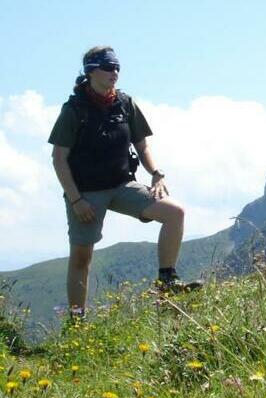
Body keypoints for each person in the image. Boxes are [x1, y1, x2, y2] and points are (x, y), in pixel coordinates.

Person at [48, 46, 196, 318]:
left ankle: (167, 282)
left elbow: (142, 146)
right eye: (108, 67)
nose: (114, 72)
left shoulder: (125, 104)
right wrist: (76, 199)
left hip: (122, 185)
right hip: (86, 193)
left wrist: (156, 173)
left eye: (117, 67)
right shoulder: (74, 109)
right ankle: (77, 321)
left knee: (175, 213)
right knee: (82, 257)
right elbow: (59, 158)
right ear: (91, 71)